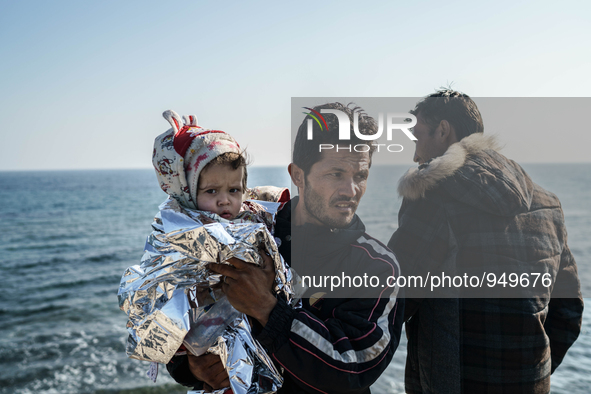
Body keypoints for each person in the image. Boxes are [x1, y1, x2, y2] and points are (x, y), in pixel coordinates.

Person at [167, 103, 405, 393]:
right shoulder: (244, 232)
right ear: (297, 176)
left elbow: (352, 368)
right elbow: (183, 307)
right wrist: (191, 365)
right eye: (336, 174)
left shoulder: (376, 266)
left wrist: (267, 309)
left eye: (360, 176)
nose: (350, 190)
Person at [387, 89, 584, 393]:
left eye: (417, 137)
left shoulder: (434, 196)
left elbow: (390, 300)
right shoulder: (548, 204)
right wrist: (534, 370)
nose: (415, 155)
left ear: (443, 131)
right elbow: (569, 309)